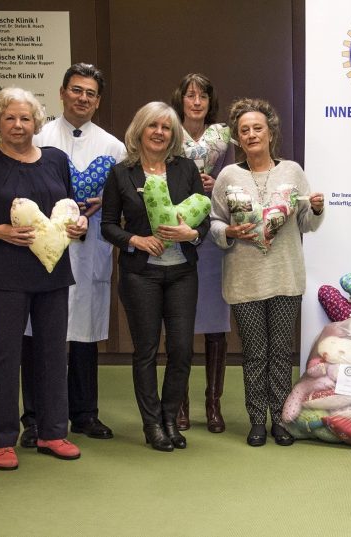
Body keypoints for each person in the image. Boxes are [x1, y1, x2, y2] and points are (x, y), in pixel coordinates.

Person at [0, 87, 88, 471]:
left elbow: (70, 207)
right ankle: (3, 439)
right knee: (4, 357)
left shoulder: (56, 160)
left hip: (53, 273)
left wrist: (79, 223)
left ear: (36, 122)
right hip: (6, 274)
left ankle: (53, 432)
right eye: (9, 118)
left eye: (25, 118)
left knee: (52, 356)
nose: (17, 124)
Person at [18, 63, 125, 446]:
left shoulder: (113, 147)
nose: (82, 98)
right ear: (61, 92)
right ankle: (34, 417)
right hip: (42, 251)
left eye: (90, 93)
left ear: (98, 101)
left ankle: (84, 413)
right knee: (37, 336)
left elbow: (124, 200)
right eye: (76, 90)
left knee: (83, 334)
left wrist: (104, 202)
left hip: (89, 248)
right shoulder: (39, 136)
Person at [209, 98, 325, 447]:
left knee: (280, 352)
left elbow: (307, 222)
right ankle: (257, 420)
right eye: (244, 130)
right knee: (255, 352)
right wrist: (227, 232)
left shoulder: (292, 171)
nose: (251, 134)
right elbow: (215, 220)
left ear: (270, 132)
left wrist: (317, 209)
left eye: (257, 127)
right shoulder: (228, 176)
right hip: (244, 280)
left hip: (286, 277)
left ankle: (282, 420)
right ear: (237, 138)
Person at [100, 102, 206, 452]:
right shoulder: (121, 174)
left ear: (173, 135)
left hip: (181, 274)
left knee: (181, 350)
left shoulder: (186, 169)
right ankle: (152, 424)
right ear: (140, 130)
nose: (159, 132)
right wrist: (135, 240)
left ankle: (170, 418)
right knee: (145, 351)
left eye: (166, 127)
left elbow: (202, 219)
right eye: (153, 126)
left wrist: (192, 235)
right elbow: (108, 226)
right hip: (140, 275)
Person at [171, 73, 232, 433]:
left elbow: (233, 176)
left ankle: (213, 404)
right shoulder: (167, 129)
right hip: (175, 229)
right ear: (181, 99)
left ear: (211, 102)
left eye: (202, 96)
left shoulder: (223, 135)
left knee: (214, 324)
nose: (196, 102)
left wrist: (215, 181)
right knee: (178, 323)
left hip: (210, 233)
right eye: (190, 95)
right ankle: (181, 405)